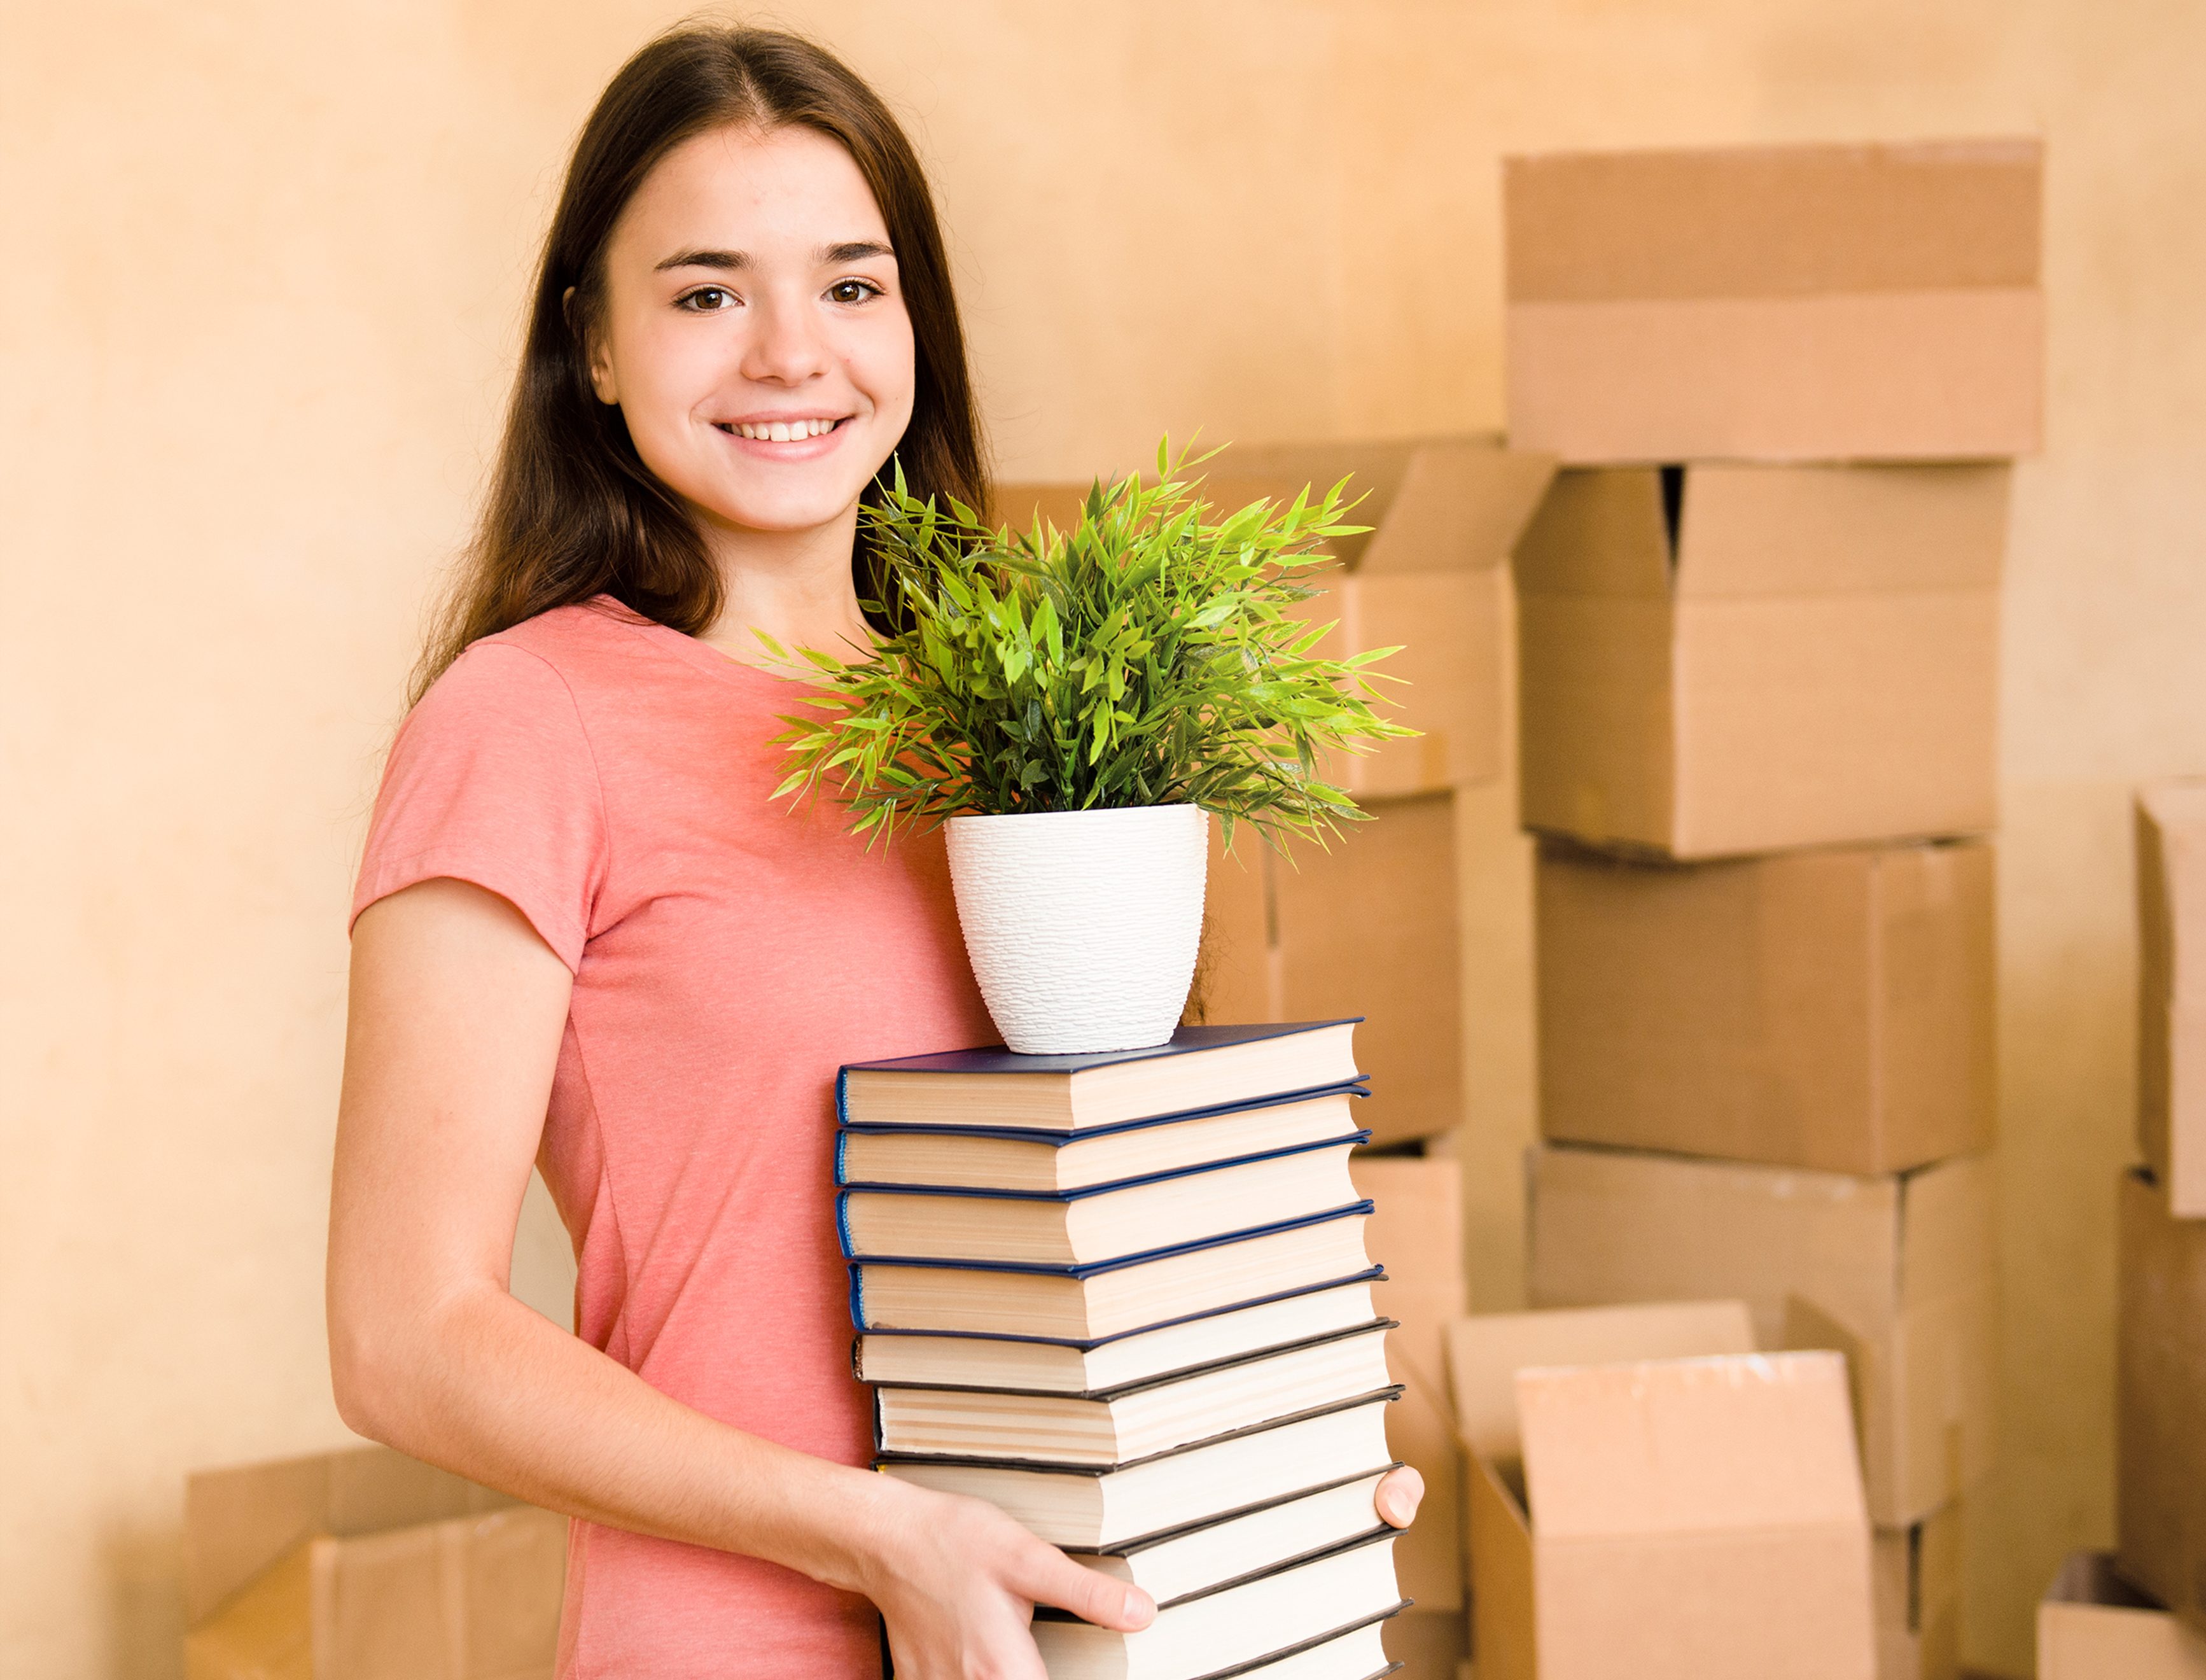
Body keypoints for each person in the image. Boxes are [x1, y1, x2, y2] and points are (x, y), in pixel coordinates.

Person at [325, 24, 1420, 1678]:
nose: (792, 354)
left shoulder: (1027, 726)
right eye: (707, 293)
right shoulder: (528, 722)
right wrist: (882, 1537)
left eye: (851, 285)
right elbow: (404, 1338)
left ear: (916, 326)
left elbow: (1103, 1190)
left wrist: (1268, 1461)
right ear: (595, 344)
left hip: (1079, 1635)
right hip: (740, 1641)